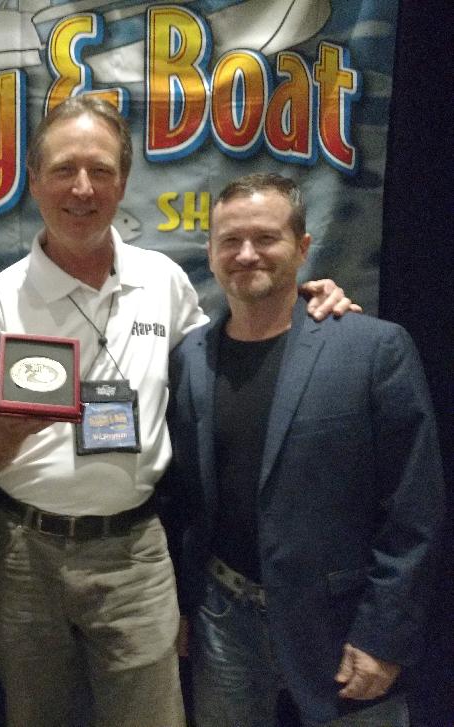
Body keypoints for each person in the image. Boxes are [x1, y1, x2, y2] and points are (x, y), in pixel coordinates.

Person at [0, 96, 354, 727]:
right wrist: (9, 422)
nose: (82, 188)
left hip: (135, 551)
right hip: (19, 552)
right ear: (33, 181)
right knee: (36, 716)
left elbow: (228, 359)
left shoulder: (165, 280)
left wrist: (302, 293)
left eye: (102, 171)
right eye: (63, 170)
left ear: (124, 183)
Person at [166, 173, 445, 726]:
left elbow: (416, 509)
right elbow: (183, 499)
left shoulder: (373, 348)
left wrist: (384, 633)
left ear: (303, 247)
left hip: (342, 627)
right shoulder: (189, 357)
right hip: (221, 620)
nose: (247, 254)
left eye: (266, 239)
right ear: (211, 252)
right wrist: (181, 605)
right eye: (230, 241)